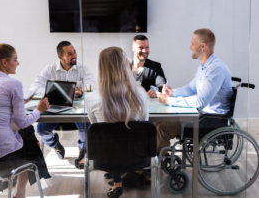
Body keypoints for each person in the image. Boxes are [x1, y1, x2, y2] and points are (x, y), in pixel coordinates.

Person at [0, 42, 51, 198]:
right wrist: (39, 110)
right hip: (2, 152)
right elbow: (22, 122)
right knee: (30, 139)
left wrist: (15, 105)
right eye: (15, 59)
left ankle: (10, 183)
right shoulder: (13, 84)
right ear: (4, 62)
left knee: (27, 134)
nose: (18, 63)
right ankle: (18, 190)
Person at [85, 46, 149, 198]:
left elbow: (95, 128)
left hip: (104, 158)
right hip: (137, 156)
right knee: (121, 141)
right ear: (125, 66)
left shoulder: (91, 99)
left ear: (101, 67)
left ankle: (117, 183)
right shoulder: (140, 94)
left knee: (110, 142)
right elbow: (144, 124)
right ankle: (121, 181)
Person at [156, 28, 232, 154]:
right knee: (158, 121)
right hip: (201, 115)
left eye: (192, 43)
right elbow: (191, 88)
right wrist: (173, 92)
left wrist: (169, 101)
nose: (190, 47)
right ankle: (160, 160)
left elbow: (201, 101)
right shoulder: (204, 66)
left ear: (203, 46)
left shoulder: (216, 69)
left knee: (162, 129)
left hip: (209, 119)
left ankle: (164, 166)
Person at [29, 41, 96, 167]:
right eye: (69, 54)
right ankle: (55, 144)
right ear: (60, 57)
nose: (74, 55)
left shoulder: (83, 67)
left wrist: (82, 92)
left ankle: (83, 150)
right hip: (56, 107)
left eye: (74, 51)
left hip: (77, 109)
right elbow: (34, 87)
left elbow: (91, 87)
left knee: (86, 126)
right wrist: (54, 92)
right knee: (41, 129)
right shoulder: (50, 68)